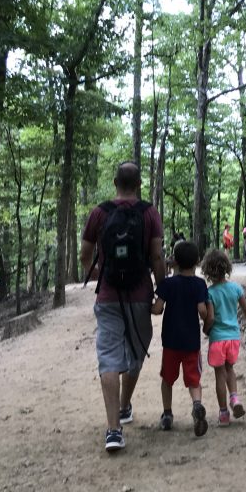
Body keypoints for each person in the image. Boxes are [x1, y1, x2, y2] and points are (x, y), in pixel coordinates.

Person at [80, 161, 165, 454]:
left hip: (108, 297)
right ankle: (126, 404)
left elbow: (85, 256)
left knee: (108, 358)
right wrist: (160, 293)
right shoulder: (149, 213)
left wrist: (100, 277)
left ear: (115, 182)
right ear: (139, 184)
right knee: (136, 351)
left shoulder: (99, 213)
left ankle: (113, 430)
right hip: (140, 294)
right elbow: (156, 257)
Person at [152, 240, 213, 437]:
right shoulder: (199, 284)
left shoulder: (168, 284)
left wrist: (148, 306)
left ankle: (167, 414)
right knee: (193, 379)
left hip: (170, 341)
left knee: (167, 378)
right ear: (197, 261)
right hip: (191, 342)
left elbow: (158, 308)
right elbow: (203, 311)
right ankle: (196, 405)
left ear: (174, 261)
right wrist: (205, 318)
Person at [201, 248, 246, 426]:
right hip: (233, 338)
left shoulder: (210, 292)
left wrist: (206, 329)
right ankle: (235, 399)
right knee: (230, 369)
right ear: (227, 267)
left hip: (218, 339)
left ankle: (223, 414)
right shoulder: (236, 288)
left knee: (220, 374)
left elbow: (210, 317)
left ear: (207, 270)